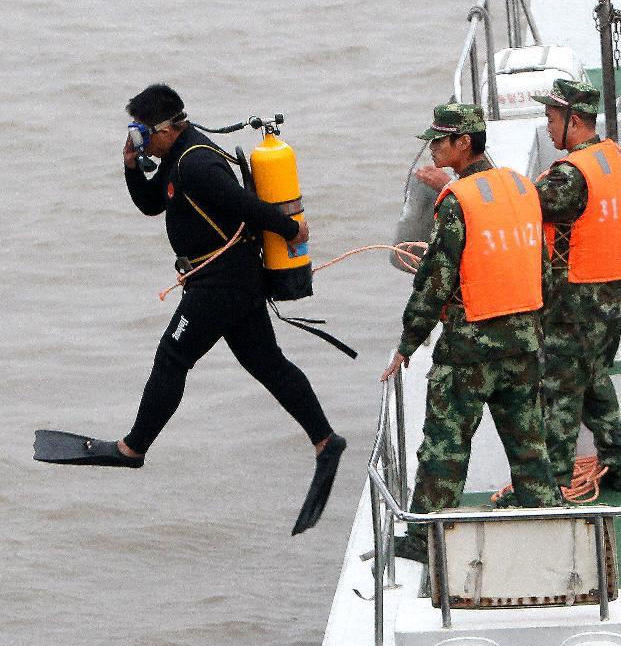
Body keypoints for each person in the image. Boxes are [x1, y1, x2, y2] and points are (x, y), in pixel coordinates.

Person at [34, 83, 346, 535]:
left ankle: (133, 448)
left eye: (141, 132)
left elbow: (244, 205)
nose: (139, 139)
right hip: (223, 280)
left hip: (221, 283)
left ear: (164, 128)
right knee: (267, 363)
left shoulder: (196, 161)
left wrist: (289, 229)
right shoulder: (176, 155)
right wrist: (129, 166)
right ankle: (325, 441)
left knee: (173, 357)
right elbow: (149, 204)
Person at [381, 103, 561, 562]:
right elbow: (541, 264)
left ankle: (426, 539)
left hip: (469, 348)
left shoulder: (458, 201)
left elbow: (436, 281)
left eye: (440, 140)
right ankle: (547, 525)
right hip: (522, 342)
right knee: (529, 444)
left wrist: (407, 344)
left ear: (464, 143)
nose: (433, 148)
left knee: (445, 446)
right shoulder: (523, 188)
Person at [533, 79, 621, 491]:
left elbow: (521, 207)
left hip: (576, 298)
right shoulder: (612, 157)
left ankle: (553, 482)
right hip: (611, 293)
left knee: (561, 387)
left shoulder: (570, 175)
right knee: (594, 377)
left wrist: (449, 187)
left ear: (575, 119)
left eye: (552, 118)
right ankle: (617, 460)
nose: (548, 127)